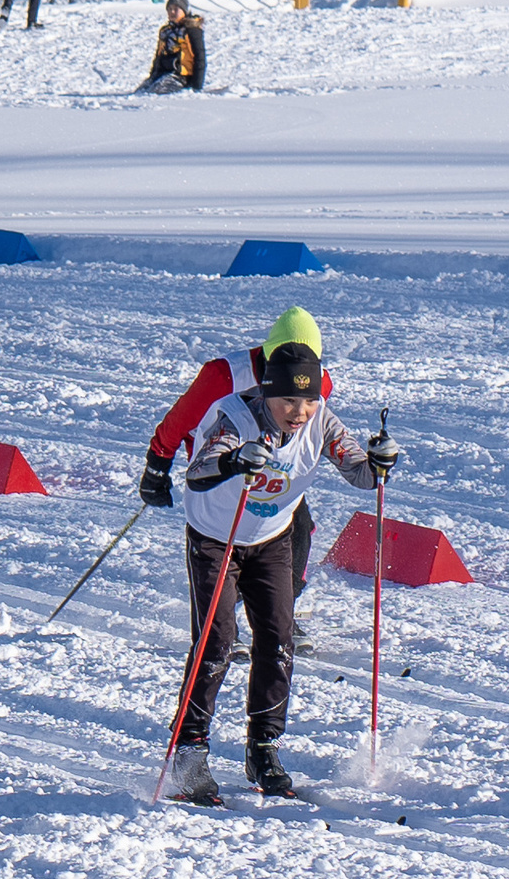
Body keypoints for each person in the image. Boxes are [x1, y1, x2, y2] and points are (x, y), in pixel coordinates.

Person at [163, 341, 389, 806]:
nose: (299, 412)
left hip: (270, 539)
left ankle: (263, 748)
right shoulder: (235, 417)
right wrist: (233, 460)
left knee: (278, 639)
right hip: (216, 538)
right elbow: (198, 472)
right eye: (288, 400)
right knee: (216, 642)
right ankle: (190, 750)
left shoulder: (321, 421)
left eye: (308, 400)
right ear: (266, 391)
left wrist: (380, 461)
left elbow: (361, 474)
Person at [143, 307, 331, 612]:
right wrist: (157, 467)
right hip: (221, 469)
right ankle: (223, 613)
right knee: (227, 539)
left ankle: (281, 610)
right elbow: (179, 421)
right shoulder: (224, 375)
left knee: (297, 528)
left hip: (273, 470)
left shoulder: (318, 383)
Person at [142, 0, 206, 94]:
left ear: (184, 11)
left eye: (176, 9)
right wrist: (153, 75)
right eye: (170, 9)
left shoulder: (191, 29)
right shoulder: (166, 31)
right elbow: (159, 55)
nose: (172, 12)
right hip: (163, 73)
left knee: (157, 91)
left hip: (182, 76)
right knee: (143, 90)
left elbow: (199, 56)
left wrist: (197, 85)